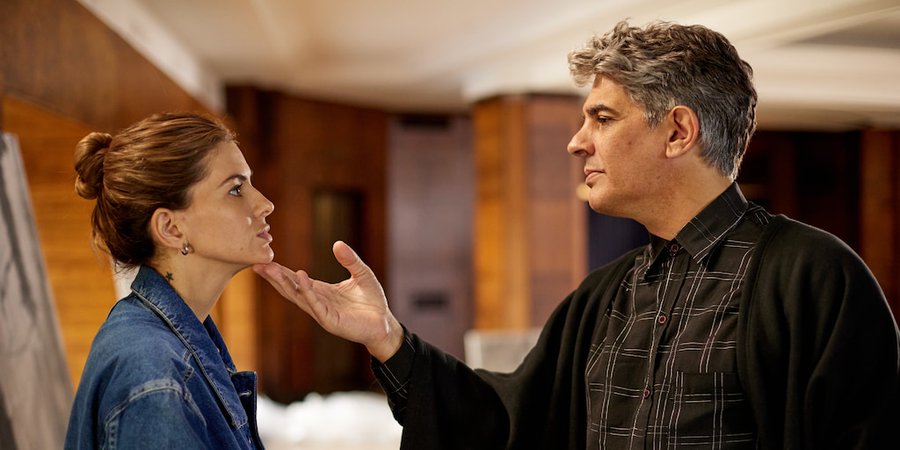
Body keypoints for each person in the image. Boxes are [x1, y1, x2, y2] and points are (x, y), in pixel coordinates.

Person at [254, 21, 900, 449]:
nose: (576, 142)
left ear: (678, 132)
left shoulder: (817, 278)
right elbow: (504, 421)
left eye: (602, 118)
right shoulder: (604, 297)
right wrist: (388, 339)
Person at [65, 112, 275, 449]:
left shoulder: (171, 343)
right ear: (171, 228)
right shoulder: (157, 378)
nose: (265, 204)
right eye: (236, 189)